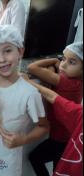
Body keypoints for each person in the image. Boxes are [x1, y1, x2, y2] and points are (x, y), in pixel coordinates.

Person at [0, 24, 49, 176]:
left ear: (20, 51)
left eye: (8, 51)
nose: (2, 59)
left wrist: (24, 139)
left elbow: (44, 127)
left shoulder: (30, 93)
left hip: (7, 163)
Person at [27, 42, 83, 175]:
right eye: (63, 58)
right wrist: (58, 66)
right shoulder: (77, 82)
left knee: (40, 160)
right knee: (39, 159)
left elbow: (31, 67)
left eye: (72, 62)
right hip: (65, 134)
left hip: (60, 139)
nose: (63, 64)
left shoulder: (66, 82)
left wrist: (54, 59)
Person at [22, 77, 83, 176]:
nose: (63, 65)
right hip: (61, 140)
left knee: (36, 158)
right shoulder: (77, 87)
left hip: (60, 141)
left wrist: (29, 82)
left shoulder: (69, 83)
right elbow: (53, 97)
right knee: (36, 158)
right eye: (63, 60)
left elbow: (33, 68)